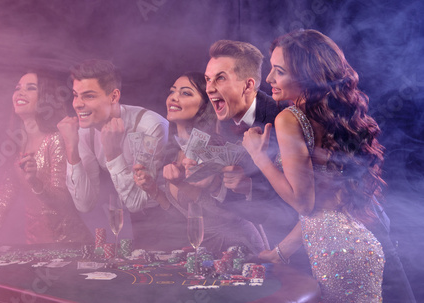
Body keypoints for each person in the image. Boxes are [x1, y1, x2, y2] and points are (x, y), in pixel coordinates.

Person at [242, 29, 388, 302]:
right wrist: (280, 253)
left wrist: (259, 157)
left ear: (307, 78)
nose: (269, 78)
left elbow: (304, 203)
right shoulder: (330, 120)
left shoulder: (290, 118)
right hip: (359, 247)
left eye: (279, 71)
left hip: (338, 255)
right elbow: (323, 208)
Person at [0, 69, 92, 248]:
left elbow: (62, 201)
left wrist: (35, 183)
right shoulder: (15, 145)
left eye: (30, 88)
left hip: (70, 246)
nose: (20, 92)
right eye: (18, 88)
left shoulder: (56, 139)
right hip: (35, 246)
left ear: (45, 97)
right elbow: (4, 196)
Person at [134, 72, 265, 258]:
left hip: (236, 247)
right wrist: (154, 191)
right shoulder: (174, 151)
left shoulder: (212, 146)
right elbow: (186, 217)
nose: (174, 97)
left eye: (186, 93)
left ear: (204, 106)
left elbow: (225, 215)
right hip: (204, 249)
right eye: (173, 91)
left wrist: (182, 184)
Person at [57, 59, 172, 250]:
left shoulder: (151, 126)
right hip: (133, 224)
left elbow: (137, 203)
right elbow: (84, 204)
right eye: (76, 95)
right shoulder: (85, 130)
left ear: (114, 96)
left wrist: (113, 153)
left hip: (172, 219)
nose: (77, 104)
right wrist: (71, 147)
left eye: (89, 96)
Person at [204, 40, 297, 248]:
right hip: (247, 239)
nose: (209, 89)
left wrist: (250, 187)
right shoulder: (219, 121)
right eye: (207, 80)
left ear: (248, 85)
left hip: (294, 244)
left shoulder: (282, 119)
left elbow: (300, 201)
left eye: (220, 78)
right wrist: (211, 182)